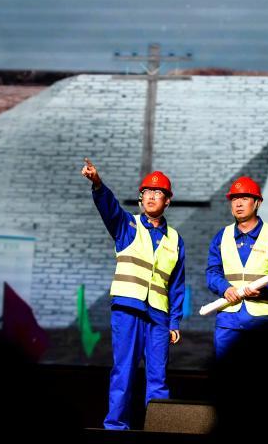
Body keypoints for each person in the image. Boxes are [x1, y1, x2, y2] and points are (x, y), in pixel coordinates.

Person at [81, 158, 185, 430]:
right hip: (128, 309)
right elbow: (109, 208)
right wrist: (98, 184)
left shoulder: (175, 239)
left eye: (157, 192)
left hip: (159, 316)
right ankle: (116, 426)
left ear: (167, 201)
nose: (150, 196)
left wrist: (174, 321)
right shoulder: (127, 225)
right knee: (124, 371)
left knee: (158, 377)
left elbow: (177, 284)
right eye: (146, 192)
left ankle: (159, 427)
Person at [205, 176, 268, 359]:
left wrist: (263, 291)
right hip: (229, 321)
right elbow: (212, 272)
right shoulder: (222, 237)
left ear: (257, 203)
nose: (238, 204)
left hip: (264, 322)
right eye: (234, 199)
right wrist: (225, 288)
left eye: (244, 198)